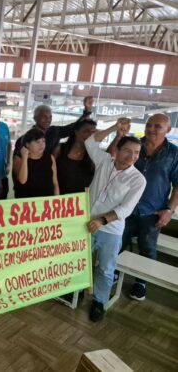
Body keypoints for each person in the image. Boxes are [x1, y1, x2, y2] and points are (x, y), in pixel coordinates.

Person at [84, 119, 146, 322]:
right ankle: (74, 290)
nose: (132, 156)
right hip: (86, 223)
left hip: (110, 230)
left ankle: (99, 302)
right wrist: (114, 129)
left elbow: (125, 209)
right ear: (117, 150)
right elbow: (90, 142)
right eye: (127, 151)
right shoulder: (104, 161)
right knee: (80, 261)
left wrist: (102, 220)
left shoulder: (138, 179)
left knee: (105, 268)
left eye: (136, 153)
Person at [111, 113, 178, 301]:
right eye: (149, 125)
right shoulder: (134, 146)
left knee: (147, 248)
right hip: (125, 208)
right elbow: (113, 162)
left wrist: (169, 210)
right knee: (118, 242)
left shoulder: (174, 154)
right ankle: (114, 270)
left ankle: (141, 282)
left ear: (168, 130)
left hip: (152, 211)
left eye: (157, 126)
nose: (151, 129)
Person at [14, 96, 94, 156]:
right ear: (35, 118)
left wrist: (87, 111)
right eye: (44, 117)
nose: (48, 120)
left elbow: (74, 127)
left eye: (50, 117)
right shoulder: (25, 139)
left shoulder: (54, 131)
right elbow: (18, 160)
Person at [13, 128, 59, 198]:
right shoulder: (19, 159)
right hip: (27, 201)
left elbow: (55, 183)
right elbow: (22, 180)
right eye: (38, 142)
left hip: (47, 201)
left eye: (43, 141)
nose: (42, 145)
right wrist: (25, 158)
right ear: (27, 144)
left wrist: (57, 199)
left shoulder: (50, 157)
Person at [54, 119, 97, 194]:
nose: (90, 135)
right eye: (86, 131)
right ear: (76, 132)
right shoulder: (60, 149)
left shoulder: (95, 153)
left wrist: (117, 137)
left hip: (84, 199)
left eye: (93, 132)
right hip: (60, 198)